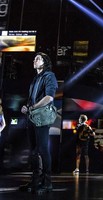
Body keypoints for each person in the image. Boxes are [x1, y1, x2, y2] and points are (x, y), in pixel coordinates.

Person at [19, 52, 58, 194]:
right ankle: (35, 181)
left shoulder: (49, 76)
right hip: (32, 117)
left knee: (42, 149)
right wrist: (27, 106)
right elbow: (33, 98)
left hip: (42, 117)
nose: (34, 60)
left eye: (38, 59)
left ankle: (47, 183)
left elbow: (49, 97)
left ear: (45, 62)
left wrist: (32, 107)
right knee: (33, 150)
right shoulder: (36, 78)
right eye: (34, 58)